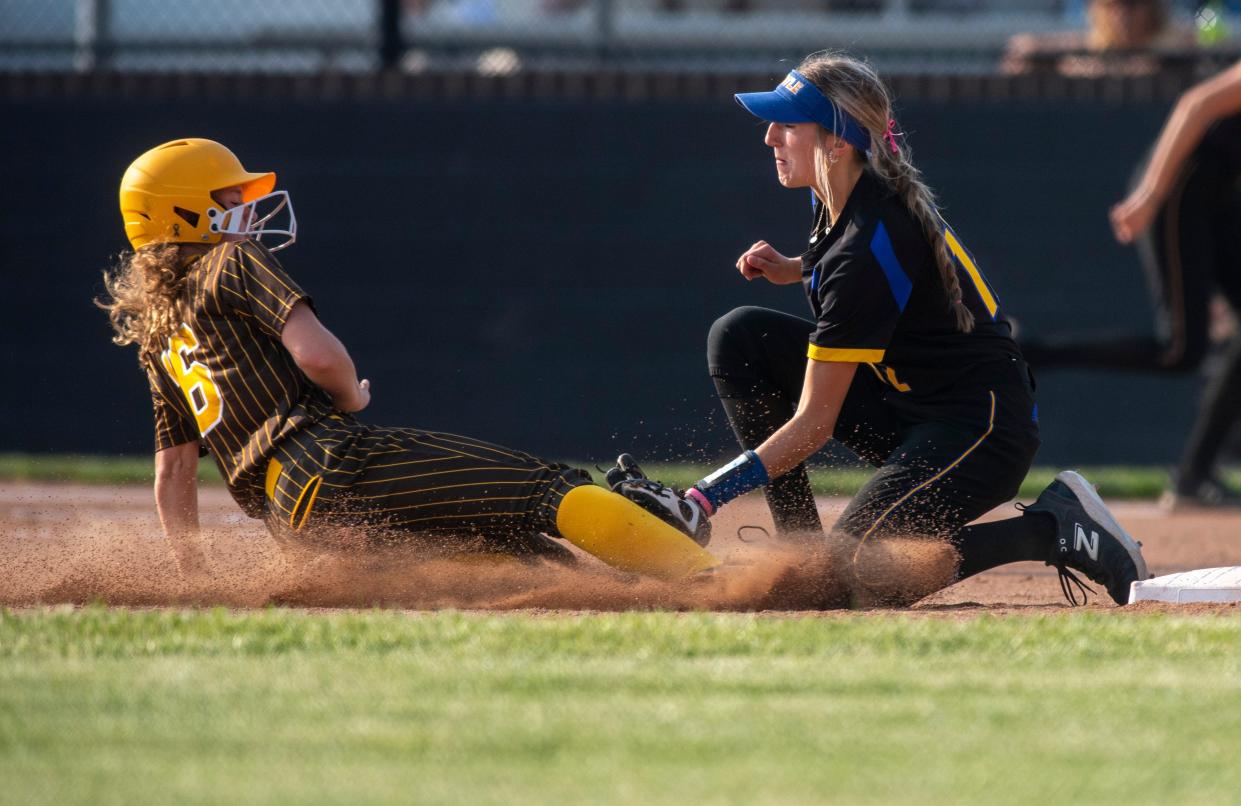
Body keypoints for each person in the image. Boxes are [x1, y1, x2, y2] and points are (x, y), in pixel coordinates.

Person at [619, 52, 1149, 605]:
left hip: (982, 432)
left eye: (788, 124)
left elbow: (814, 424)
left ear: (836, 142)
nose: (770, 136)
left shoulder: (864, 243)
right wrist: (799, 266)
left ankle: (1051, 529)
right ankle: (799, 547)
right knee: (739, 338)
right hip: (915, 408)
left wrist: (702, 499)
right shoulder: (844, 193)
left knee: (852, 573)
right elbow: (873, 266)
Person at [98, 137, 716, 587]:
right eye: (231, 198)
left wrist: (193, 578)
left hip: (290, 518)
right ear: (185, 212)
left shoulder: (158, 333)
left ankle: (589, 590)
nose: (249, 211)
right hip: (328, 459)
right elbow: (316, 354)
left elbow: (174, 475)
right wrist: (350, 399)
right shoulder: (230, 262)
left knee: (518, 555)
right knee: (548, 488)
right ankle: (710, 582)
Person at [1022, 59, 1241, 508]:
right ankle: (1029, 351)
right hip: (1178, 187)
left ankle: (1193, 478)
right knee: (1179, 350)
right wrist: (1151, 194)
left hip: (1218, 200)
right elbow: (1195, 104)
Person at [1001, 0, 1193, 78]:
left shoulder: (1175, 51)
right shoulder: (1089, 50)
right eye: (1112, 5)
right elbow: (1024, 48)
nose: (1122, 15)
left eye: (1131, 3)